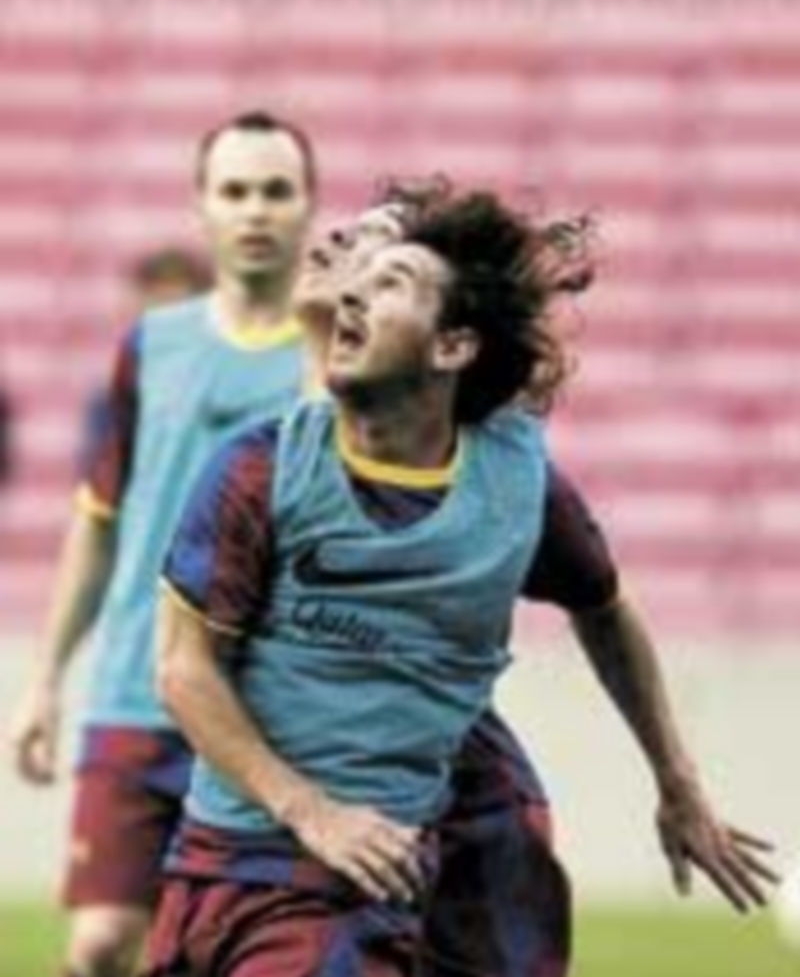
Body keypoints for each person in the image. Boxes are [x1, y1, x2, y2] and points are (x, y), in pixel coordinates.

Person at [146, 188, 776, 977]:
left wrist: (678, 783)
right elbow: (181, 668)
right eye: (355, 275)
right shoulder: (258, 469)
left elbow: (605, 608)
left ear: (451, 347)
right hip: (234, 857)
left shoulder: (516, 483)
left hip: (374, 871)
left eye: (390, 281)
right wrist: (315, 812)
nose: (352, 288)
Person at [9, 110, 317, 977]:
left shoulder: (333, 357)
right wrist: (43, 682)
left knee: (213, 951)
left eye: (275, 191)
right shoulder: (150, 346)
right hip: (136, 690)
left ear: (307, 206)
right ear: (203, 206)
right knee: (104, 940)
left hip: (266, 708)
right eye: (235, 191)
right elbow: (98, 519)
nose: (255, 210)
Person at [76, 247, 212, 479]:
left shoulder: (230, 388)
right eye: (158, 310)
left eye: (178, 311)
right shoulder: (113, 396)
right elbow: (98, 480)